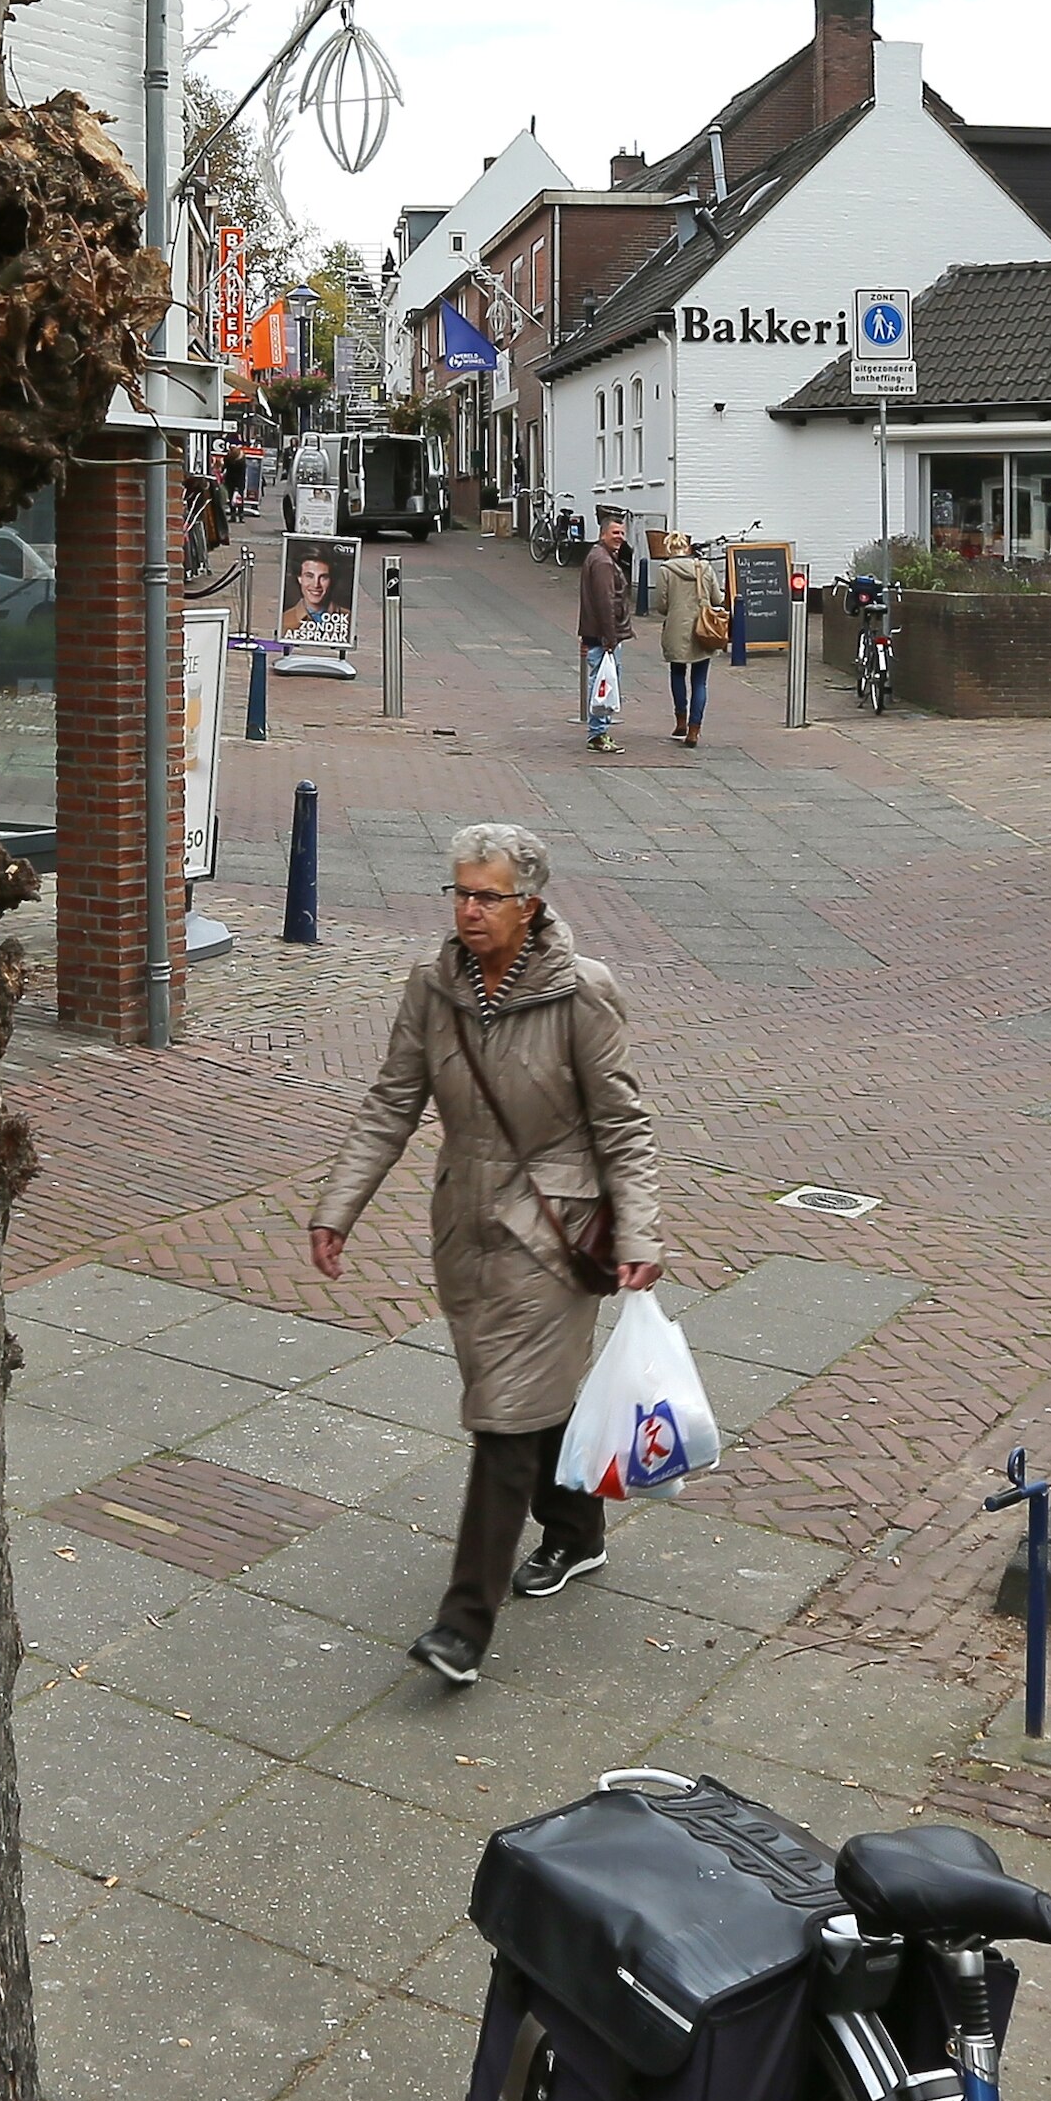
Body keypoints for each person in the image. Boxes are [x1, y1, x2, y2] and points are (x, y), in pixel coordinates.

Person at [306, 822, 663, 1687]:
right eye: (459, 892)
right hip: (463, 1225)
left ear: (529, 905)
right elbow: (392, 1100)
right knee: (524, 1401)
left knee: (502, 1416)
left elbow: (623, 1121)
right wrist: (337, 1209)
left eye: (486, 896)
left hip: (553, 1227)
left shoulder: (582, 995)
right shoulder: (433, 987)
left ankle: (463, 1625)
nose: (468, 909)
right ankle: (577, 1530)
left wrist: (642, 1232)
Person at [644, 531, 723, 748]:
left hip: (677, 629)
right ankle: (694, 730)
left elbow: (661, 605)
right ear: (687, 549)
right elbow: (717, 598)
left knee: (677, 673)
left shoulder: (665, 571)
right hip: (703, 628)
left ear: (669, 550)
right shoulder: (704, 568)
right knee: (700, 681)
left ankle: (680, 721)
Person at [575, 517, 634, 750]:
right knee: (603, 683)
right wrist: (610, 638)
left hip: (596, 634)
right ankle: (598, 733)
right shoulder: (603, 563)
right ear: (603, 534)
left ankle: (600, 730)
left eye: (622, 533)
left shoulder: (600, 556)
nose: (619, 537)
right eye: (615, 533)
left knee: (602, 682)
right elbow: (605, 601)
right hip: (603, 636)